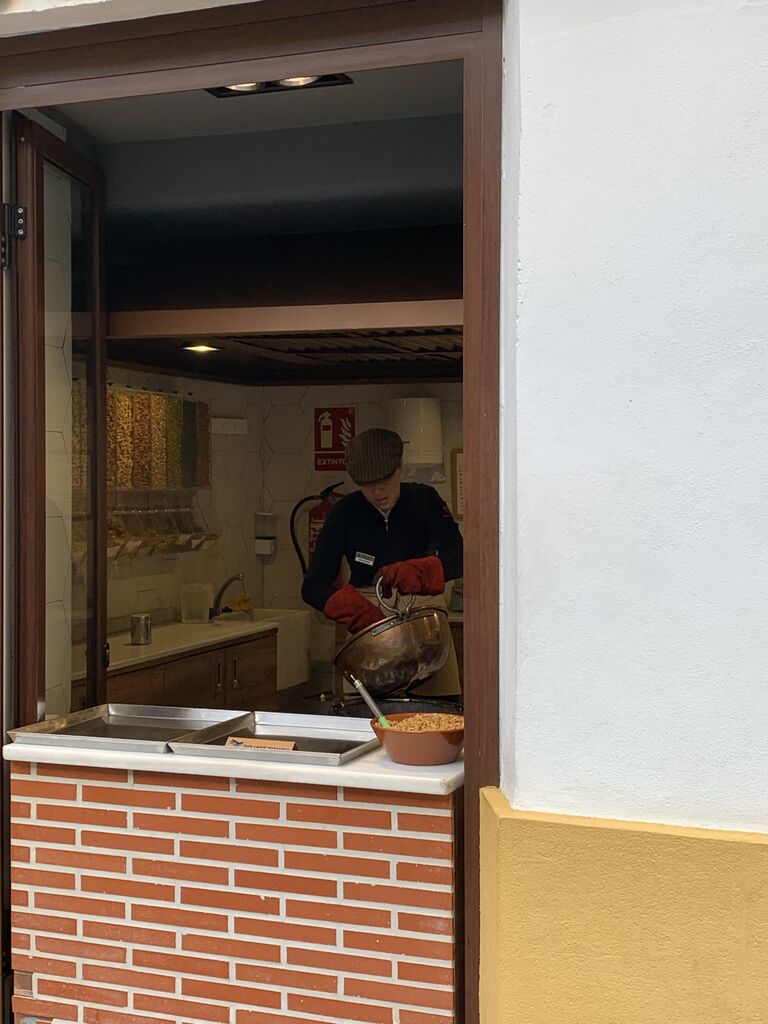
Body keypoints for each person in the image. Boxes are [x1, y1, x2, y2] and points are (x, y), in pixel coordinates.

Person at [301, 427, 463, 696]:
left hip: (425, 622)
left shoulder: (425, 500)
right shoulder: (345, 513)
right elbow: (313, 585)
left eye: (386, 480)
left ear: (400, 465)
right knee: (367, 714)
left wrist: (420, 571)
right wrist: (354, 610)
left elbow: (460, 557)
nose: (378, 491)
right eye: (367, 484)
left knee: (439, 710)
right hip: (370, 629)